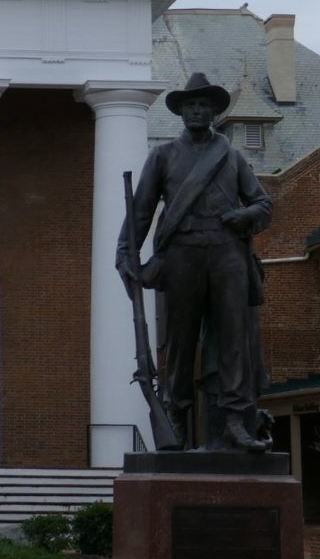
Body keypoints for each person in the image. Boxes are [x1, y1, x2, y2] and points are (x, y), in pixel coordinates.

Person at [117, 72, 273, 452]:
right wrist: (126, 253)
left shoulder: (232, 157)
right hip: (183, 252)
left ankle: (235, 420)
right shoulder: (164, 156)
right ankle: (175, 415)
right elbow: (141, 212)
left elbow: (263, 203)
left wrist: (244, 217)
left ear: (215, 112)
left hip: (227, 251)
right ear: (181, 113)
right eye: (191, 106)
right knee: (180, 339)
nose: (197, 111)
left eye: (203, 106)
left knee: (233, 339)